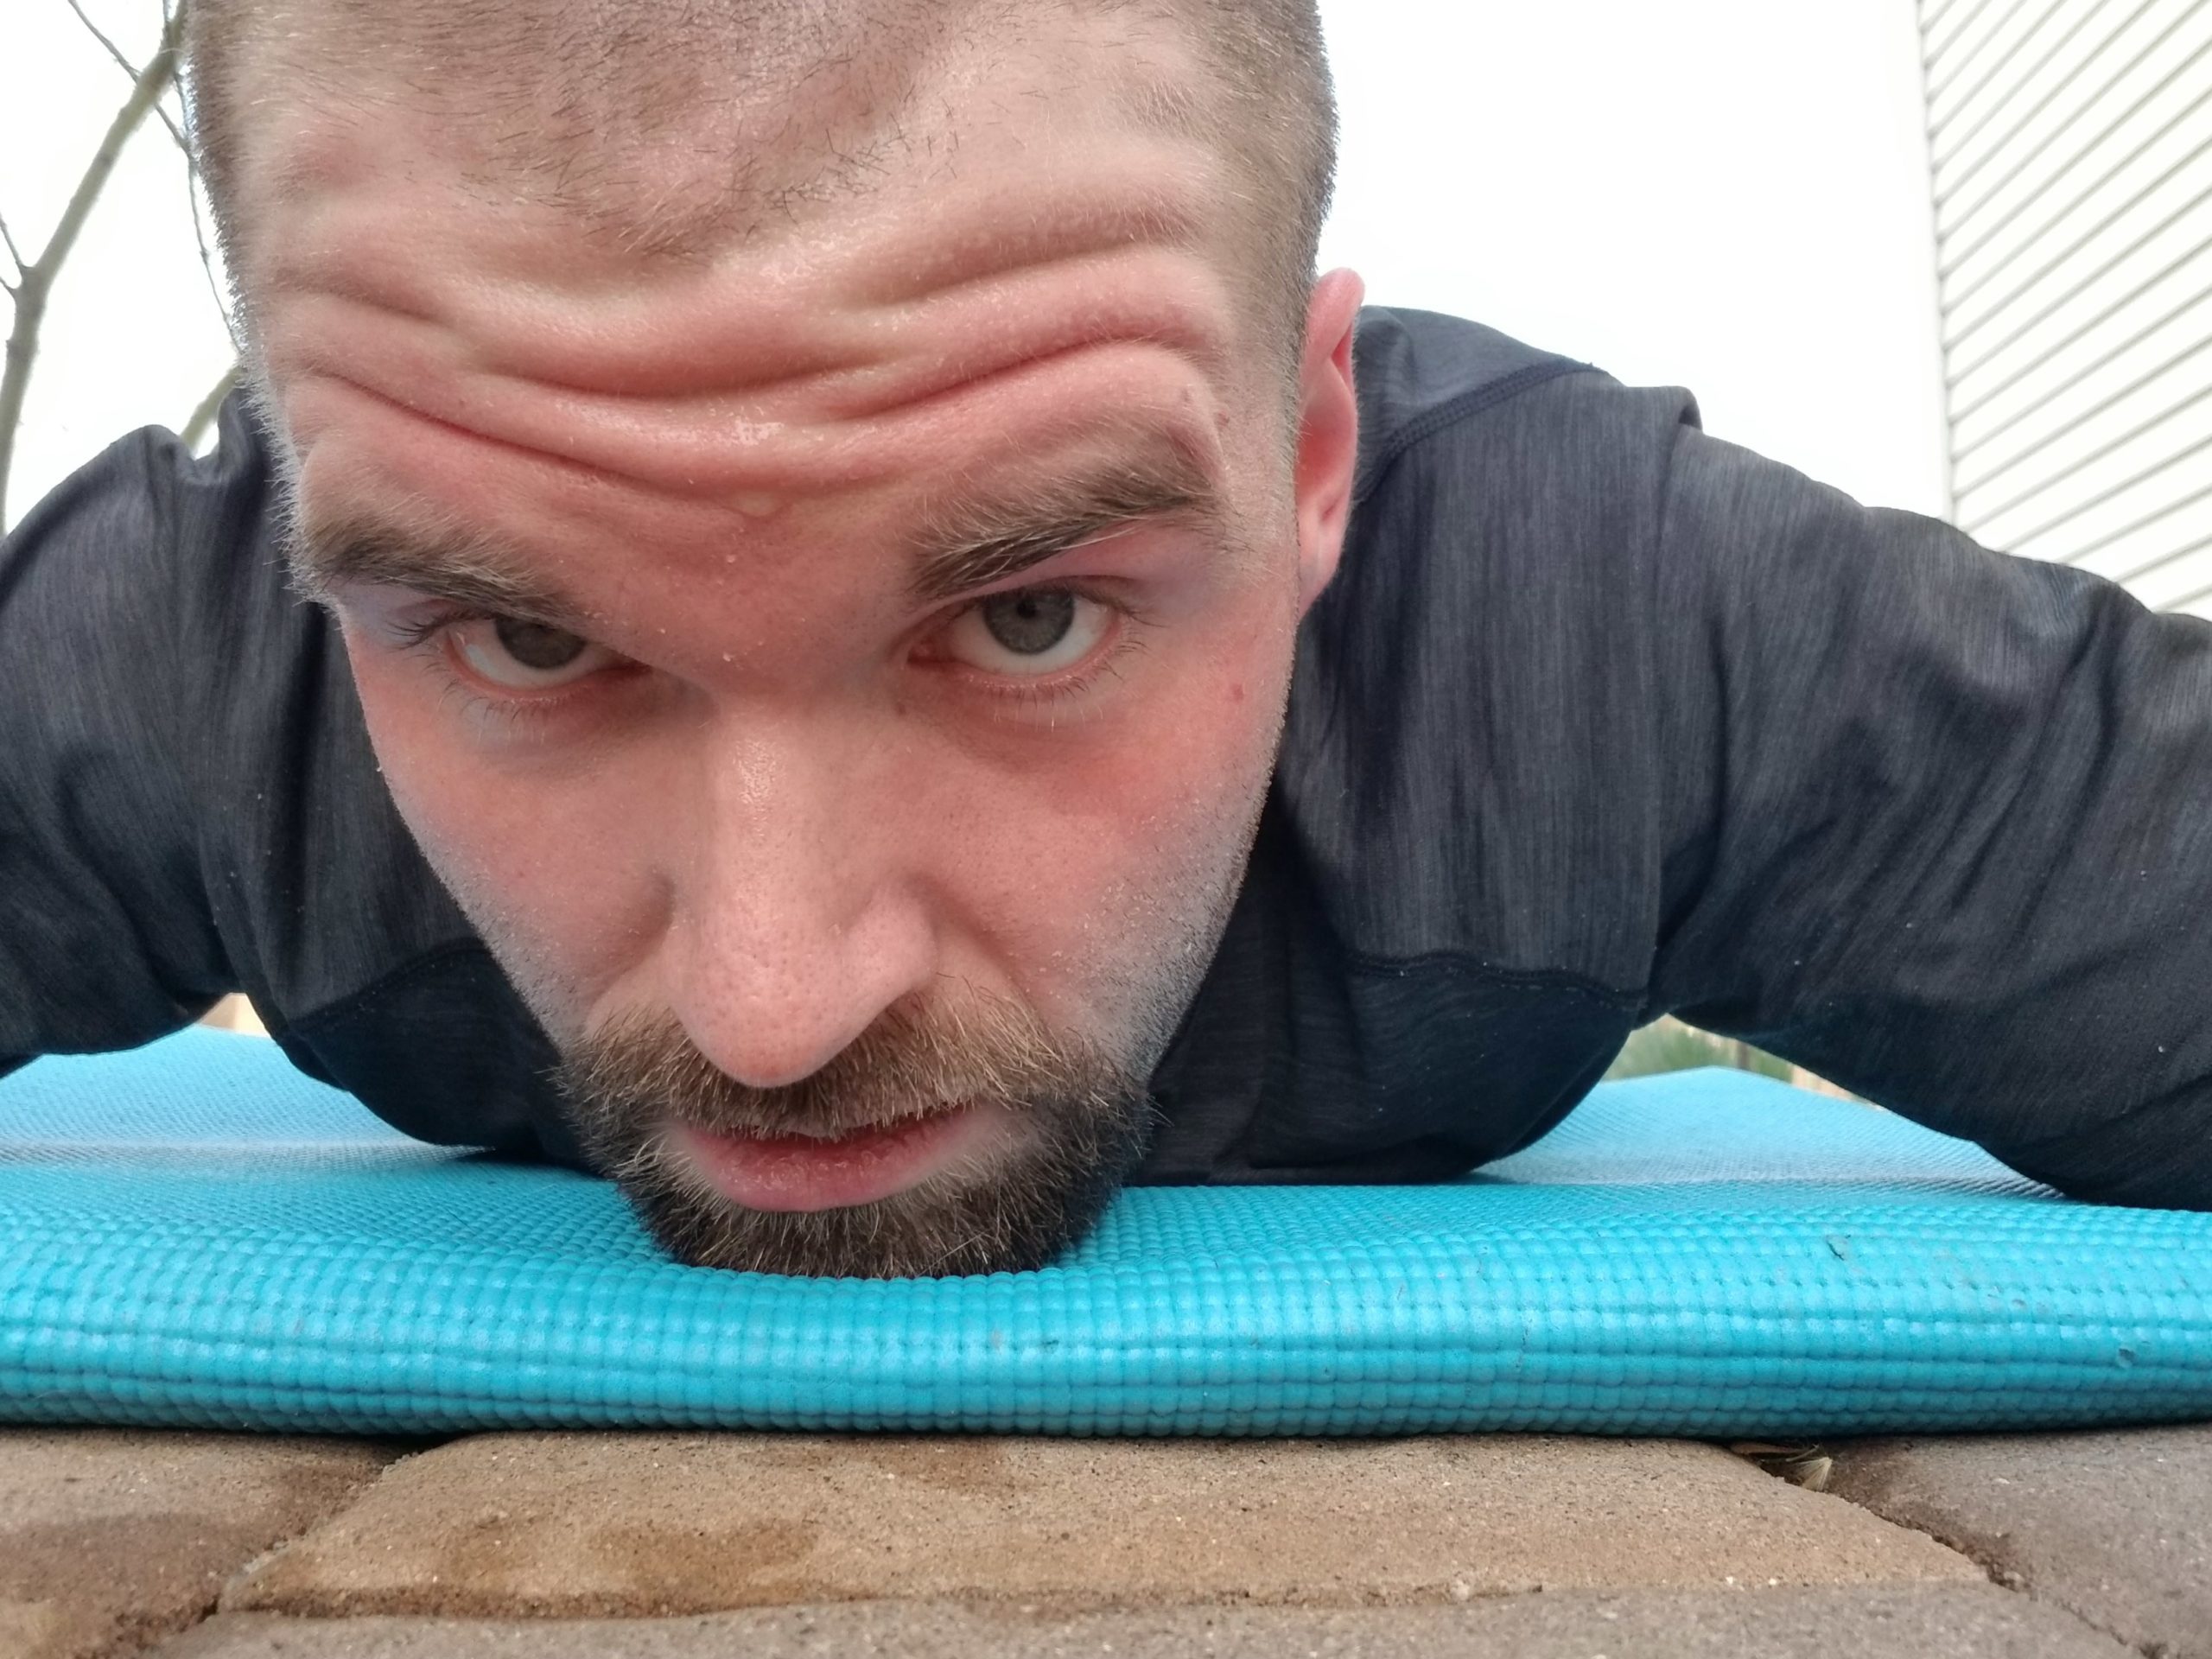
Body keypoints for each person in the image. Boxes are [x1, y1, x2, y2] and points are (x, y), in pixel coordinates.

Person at [3, 0, 2208, 1280]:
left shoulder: (1589, 629)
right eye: (519, 637)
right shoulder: (191, 672)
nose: (774, 1008)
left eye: (1027, 611)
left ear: (1311, 457)